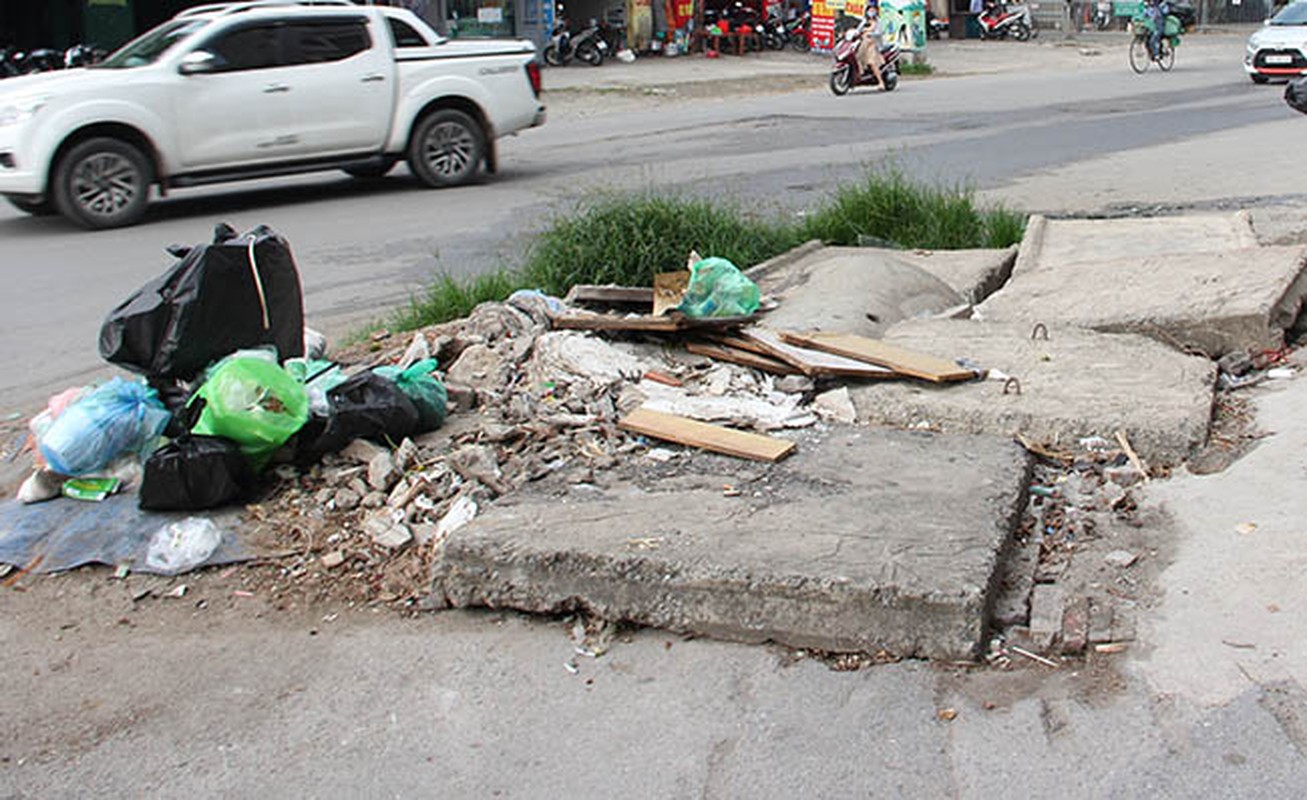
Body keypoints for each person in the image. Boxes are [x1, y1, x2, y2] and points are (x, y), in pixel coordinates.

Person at [854, 2, 885, 89]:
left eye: (873, 10)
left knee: (871, 63)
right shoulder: (865, 21)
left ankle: (881, 82)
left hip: (873, 45)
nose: (871, 12)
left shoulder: (878, 21)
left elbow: (879, 32)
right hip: (863, 44)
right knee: (856, 56)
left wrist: (870, 33)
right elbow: (858, 30)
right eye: (869, 10)